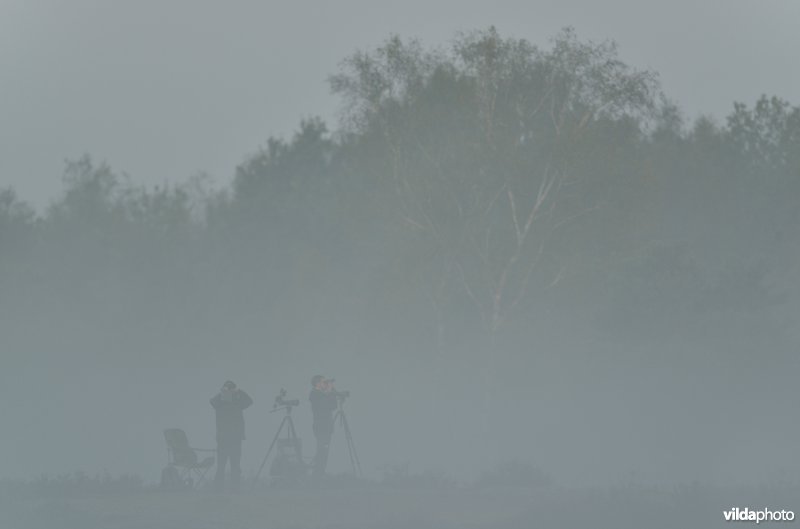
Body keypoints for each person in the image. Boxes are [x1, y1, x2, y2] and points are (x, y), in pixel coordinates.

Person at [210, 380, 253, 491]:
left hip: (234, 437)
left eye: (231, 390)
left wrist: (238, 391)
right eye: (227, 390)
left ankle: (235, 488)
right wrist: (222, 393)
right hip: (224, 438)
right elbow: (212, 401)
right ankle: (218, 488)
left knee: (235, 465)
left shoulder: (237, 403)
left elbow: (249, 401)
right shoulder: (219, 402)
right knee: (221, 465)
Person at [309, 375, 338, 477]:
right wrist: (329, 391)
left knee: (324, 451)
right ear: (317, 383)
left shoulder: (322, 394)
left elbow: (333, 405)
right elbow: (325, 405)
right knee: (321, 451)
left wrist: (331, 391)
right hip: (321, 427)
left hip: (326, 427)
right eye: (323, 382)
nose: (325, 384)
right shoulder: (314, 394)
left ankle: (320, 473)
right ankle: (318, 474)